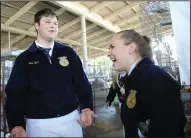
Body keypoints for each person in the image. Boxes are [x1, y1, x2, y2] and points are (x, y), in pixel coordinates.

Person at [5, 8, 95, 137]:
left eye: (55, 23)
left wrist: (86, 107)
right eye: (47, 21)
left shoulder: (68, 53)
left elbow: (82, 83)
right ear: (37, 26)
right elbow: (15, 94)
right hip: (39, 125)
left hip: (71, 120)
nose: (53, 25)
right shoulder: (24, 59)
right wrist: (16, 124)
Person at [107, 29, 186, 137]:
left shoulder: (154, 78)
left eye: (112, 47)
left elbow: (168, 129)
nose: (108, 53)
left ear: (131, 48)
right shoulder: (135, 78)